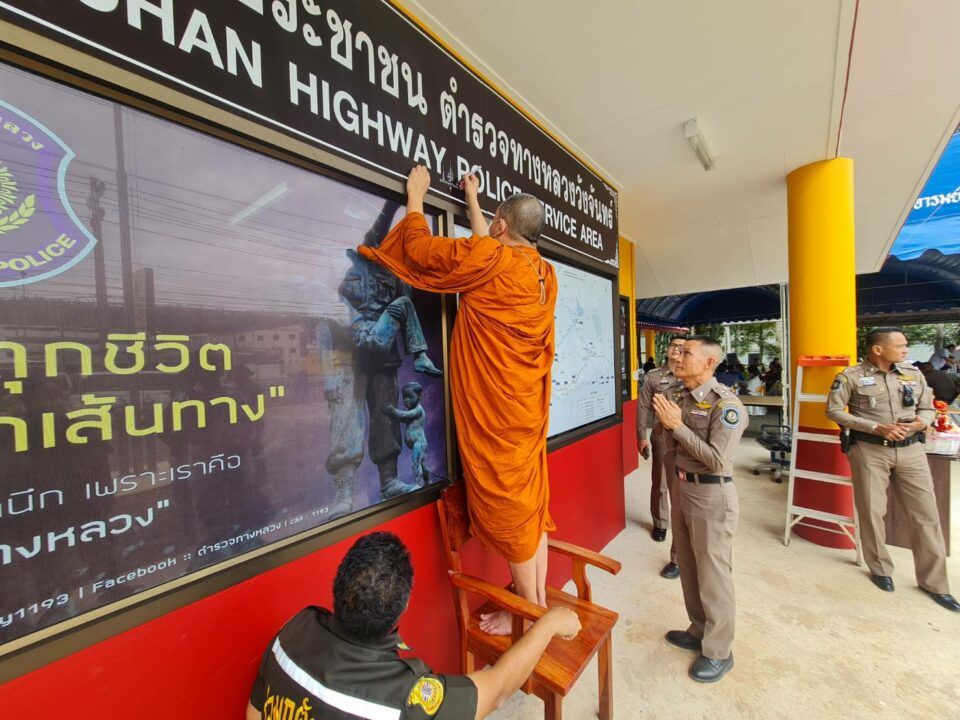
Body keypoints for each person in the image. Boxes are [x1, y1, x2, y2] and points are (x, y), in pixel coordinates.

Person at [358, 166, 557, 635]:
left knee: (512, 513)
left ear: (502, 226)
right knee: (530, 509)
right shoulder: (544, 273)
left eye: (493, 222)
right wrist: (473, 200)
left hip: (498, 418)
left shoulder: (491, 260)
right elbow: (488, 250)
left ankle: (530, 615)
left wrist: (415, 197)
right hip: (526, 412)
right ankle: (538, 600)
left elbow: (420, 251)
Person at [246, 532, 581, 720]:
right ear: (401, 609)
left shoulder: (292, 631)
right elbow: (497, 689)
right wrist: (549, 622)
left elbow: (255, 712)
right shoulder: (403, 697)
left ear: (339, 583)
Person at [826, 328, 959, 612]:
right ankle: (880, 568)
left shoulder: (913, 374)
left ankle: (935, 583)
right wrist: (875, 426)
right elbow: (834, 411)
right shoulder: (850, 377)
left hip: (912, 451)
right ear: (878, 349)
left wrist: (921, 422)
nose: (905, 350)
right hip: (870, 450)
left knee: (926, 515)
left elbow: (927, 408)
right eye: (900, 345)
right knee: (872, 511)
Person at [652, 335, 746, 683]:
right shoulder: (679, 396)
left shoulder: (726, 405)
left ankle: (719, 651)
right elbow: (670, 445)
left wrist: (677, 427)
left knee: (713, 575)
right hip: (682, 488)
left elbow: (717, 460)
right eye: (677, 352)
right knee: (689, 567)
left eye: (686, 353)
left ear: (708, 362)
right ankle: (698, 629)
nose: (677, 357)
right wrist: (667, 427)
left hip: (711, 495)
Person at [636, 337, 685, 579]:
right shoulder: (654, 377)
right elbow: (643, 406)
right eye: (673, 345)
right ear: (667, 350)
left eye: (682, 346)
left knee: (683, 490)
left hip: (687, 438)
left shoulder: (691, 374)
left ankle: (680, 545)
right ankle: (660, 522)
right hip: (661, 436)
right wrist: (641, 436)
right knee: (661, 483)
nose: (677, 349)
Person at [383, 381, 431, 487]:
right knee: (423, 464)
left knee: (416, 463)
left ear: (419, 397)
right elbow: (405, 419)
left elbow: (405, 415)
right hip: (417, 443)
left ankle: (418, 484)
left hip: (419, 442)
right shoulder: (413, 412)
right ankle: (428, 481)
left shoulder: (418, 410)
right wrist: (394, 417)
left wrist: (393, 411)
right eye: (405, 397)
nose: (406, 400)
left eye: (410, 396)